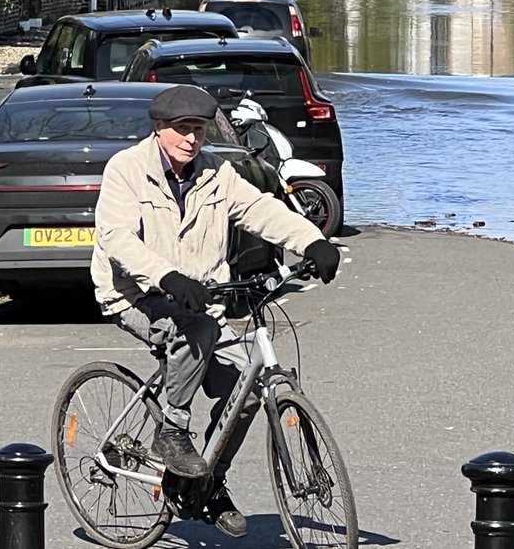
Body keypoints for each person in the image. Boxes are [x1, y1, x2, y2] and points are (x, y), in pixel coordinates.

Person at [92, 84, 340, 539]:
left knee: (248, 388)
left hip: (198, 296)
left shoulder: (215, 172)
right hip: (134, 292)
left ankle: (205, 483)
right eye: (182, 130)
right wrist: (164, 276)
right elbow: (117, 239)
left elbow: (258, 208)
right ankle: (173, 430)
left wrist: (312, 240)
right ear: (159, 129)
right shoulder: (126, 170)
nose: (192, 139)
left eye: (199, 130)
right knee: (196, 330)